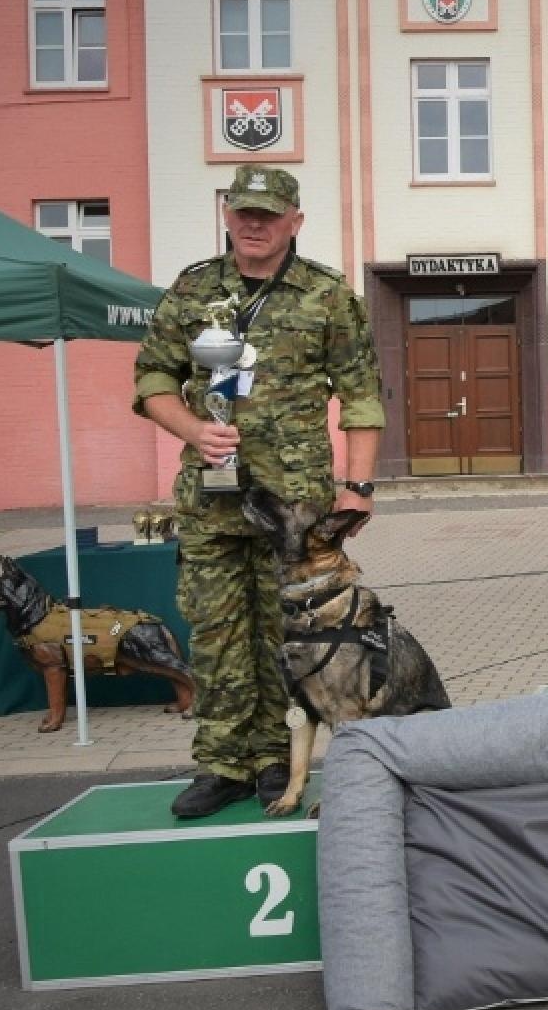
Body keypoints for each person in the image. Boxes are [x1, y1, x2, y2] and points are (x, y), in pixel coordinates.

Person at [133, 166, 386, 818]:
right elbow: (152, 378)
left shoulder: (328, 295)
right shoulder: (193, 289)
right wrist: (192, 427)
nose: (253, 223)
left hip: (296, 507)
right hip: (211, 498)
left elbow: (361, 394)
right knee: (217, 633)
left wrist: (357, 485)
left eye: (268, 214)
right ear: (226, 214)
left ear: (293, 222)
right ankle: (222, 764)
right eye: (243, 211)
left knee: (288, 637)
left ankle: (277, 760)